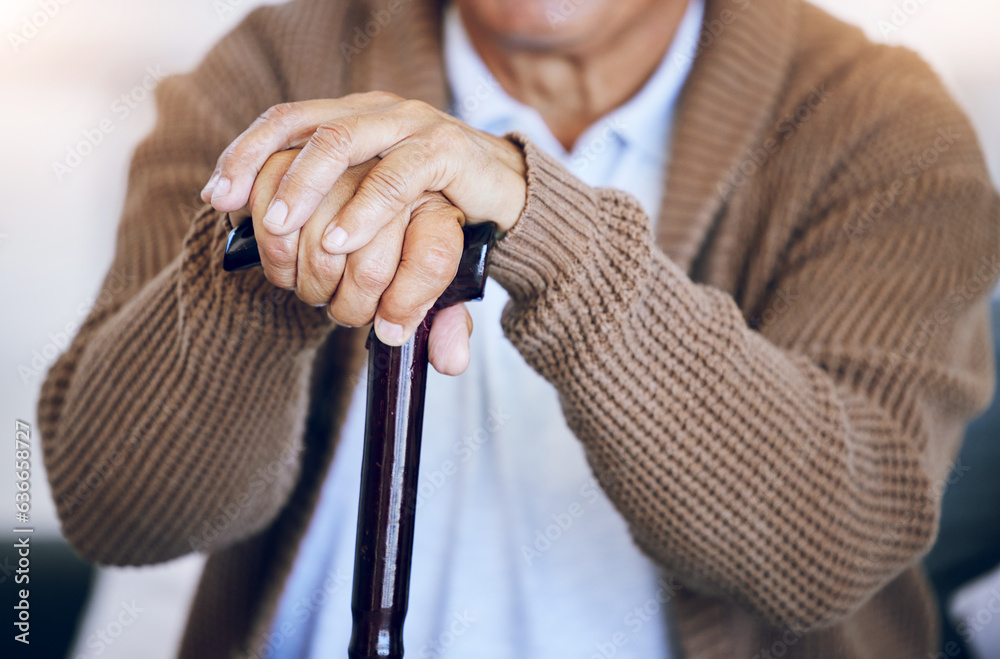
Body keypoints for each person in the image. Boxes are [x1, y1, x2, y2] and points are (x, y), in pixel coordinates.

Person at [38, 0, 1000, 657]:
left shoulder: (885, 122)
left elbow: (828, 544)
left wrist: (544, 225)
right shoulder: (274, 61)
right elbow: (121, 510)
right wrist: (274, 243)